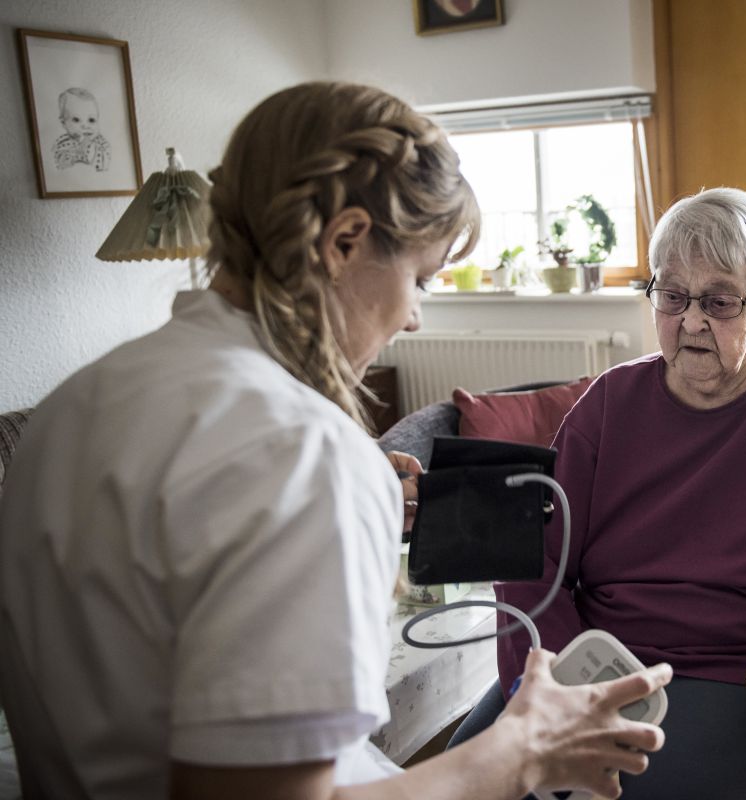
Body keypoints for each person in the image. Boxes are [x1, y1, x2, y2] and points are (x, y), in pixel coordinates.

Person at [0, 81, 670, 800]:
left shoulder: (78, 405)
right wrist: (523, 750)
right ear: (344, 241)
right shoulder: (302, 454)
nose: (413, 317)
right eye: (420, 278)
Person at [452, 187, 746, 799]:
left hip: (744, 676)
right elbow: (532, 559)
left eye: (721, 300)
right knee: (458, 781)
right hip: (596, 663)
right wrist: (554, 678)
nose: (692, 321)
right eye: (673, 296)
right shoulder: (609, 402)